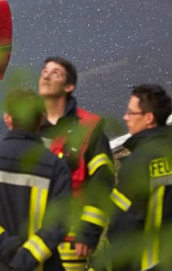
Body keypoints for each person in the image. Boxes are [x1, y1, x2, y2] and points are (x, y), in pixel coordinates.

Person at [0, 89, 72, 271]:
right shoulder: (56, 168)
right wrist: (26, 257)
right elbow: (59, 223)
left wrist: (10, 250)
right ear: (42, 119)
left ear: (8, 118)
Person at [38, 57, 114, 269]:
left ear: (69, 86)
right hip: (30, 240)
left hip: (70, 242)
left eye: (55, 73)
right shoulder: (28, 127)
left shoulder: (89, 128)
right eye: (44, 71)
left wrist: (89, 232)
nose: (45, 75)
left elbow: (103, 183)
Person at [106, 84, 172, 271]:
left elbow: (122, 227)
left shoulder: (137, 164)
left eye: (131, 113)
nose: (125, 117)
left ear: (149, 118)